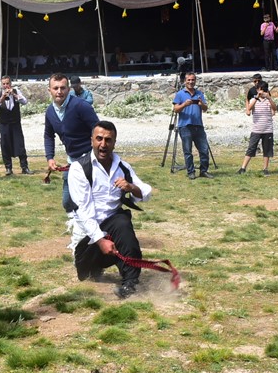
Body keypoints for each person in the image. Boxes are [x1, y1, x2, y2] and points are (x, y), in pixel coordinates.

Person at [70, 121, 152, 298]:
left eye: (108, 140)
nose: (103, 144)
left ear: (114, 142)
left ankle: (130, 284)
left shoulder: (122, 167)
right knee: (87, 275)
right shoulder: (80, 169)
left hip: (113, 230)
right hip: (88, 242)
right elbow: (83, 212)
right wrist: (100, 240)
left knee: (122, 222)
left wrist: (131, 187)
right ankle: (95, 266)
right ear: (91, 140)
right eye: (99, 139)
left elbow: (145, 191)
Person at [45, 72, 100, 207]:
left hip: (91, 160)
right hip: (72, 161)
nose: (59, 91)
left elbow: (99, 131)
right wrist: (50, 157)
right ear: (49, 90)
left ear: (69, 89)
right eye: (55, 88)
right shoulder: (50, 112)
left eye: (63, 88)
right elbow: (48, 135)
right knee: (68, 202)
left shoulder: (81, 106)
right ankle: (77, 225)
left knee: (92, 201)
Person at [172, 72, 212, 179]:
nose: (191, 82)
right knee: (187, 151)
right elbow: (175, 109)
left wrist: (201, 104)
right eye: (189, 80)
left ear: (195, 81)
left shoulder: (199, 93)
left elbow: (205, 109)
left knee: (204, 150)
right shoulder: (180, 94)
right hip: (185, 126)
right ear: (185, 81)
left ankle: (204, 171)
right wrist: (184, 104)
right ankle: (191, 172)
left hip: (198, 126)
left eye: (193, 80)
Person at [0, 75, 31, 176]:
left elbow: (25, 102)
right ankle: (8, 168)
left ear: (11, 84)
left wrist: (14, 95)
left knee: (20, 144)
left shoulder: (16, 91)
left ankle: (24, 167)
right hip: (4, 123)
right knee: (5, 145)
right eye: (4, 84)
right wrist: (2, 98)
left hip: (15, 122)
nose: (6, 86)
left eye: (7, 83)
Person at [240, 74, 275, 174]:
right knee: (251, 147)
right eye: (254, 81)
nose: (256, 83)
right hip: (257, 128)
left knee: (267, 149)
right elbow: (248, 101)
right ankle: (243, 168)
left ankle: (265, 168)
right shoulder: (252, 91)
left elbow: (274, 107)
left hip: (267, 128)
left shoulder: (267, 94)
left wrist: (269, 100)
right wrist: (248, 110)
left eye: (258, 81)